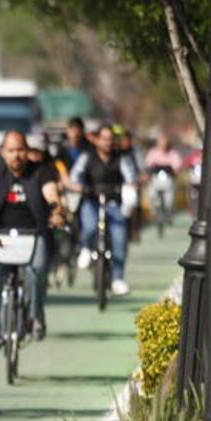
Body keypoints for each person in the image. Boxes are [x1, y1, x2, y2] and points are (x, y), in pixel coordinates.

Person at [0, 131, 65, 350]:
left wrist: (56, 209)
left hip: (34, 234)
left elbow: (51, 192)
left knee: (36, 270)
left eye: (20, 150)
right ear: (2, 152)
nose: (16, 155)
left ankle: (36, 315)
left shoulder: (40, 172)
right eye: (11, 150)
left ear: (27, 151)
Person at [70, 125, 138, 296]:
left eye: (110, 139)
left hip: (114, 203)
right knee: (90, 226)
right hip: (91, 201)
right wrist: (79, 188)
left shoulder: (122, 158)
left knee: (119, 239)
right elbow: (74, 176)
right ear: (97, 140)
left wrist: (129, 190)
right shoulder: (87, 157)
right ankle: (86, 248)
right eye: (104, 138)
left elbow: (131, 178)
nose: (108, 142)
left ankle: (117, 279)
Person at [143, 134, 184, 222]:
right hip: (156, 179)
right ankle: (154, 212)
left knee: (169, 198)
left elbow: (177, 165)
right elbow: (148, 164)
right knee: (151, 194)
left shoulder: (173, 153)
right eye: (161, 144)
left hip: (168, 179)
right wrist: (148, 173)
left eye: (165, 144)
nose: (163, 146)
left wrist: (176, 171)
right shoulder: (153, 153)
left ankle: (168, 213)